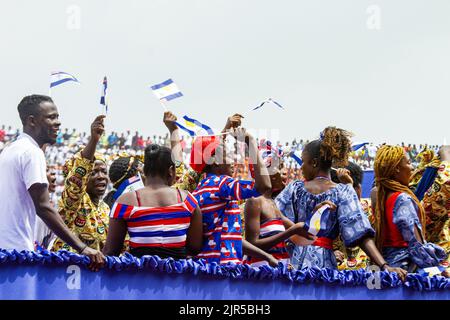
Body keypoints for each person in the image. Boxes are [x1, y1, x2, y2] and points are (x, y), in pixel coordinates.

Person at [275, 127, 407, 280]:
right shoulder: (343, 192)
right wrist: (384, 266)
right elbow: (361, 233)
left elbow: (275, 216)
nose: (301, 167)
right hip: (325, 268)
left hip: (293, 264)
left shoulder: (294, 188)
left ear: (314, 163)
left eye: (303, 162)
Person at [0, 95, 104, 270]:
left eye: (57, 117)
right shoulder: (31, 152)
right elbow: (44, 207)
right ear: (32, 121)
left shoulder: (10, 150)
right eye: (51, 117)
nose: (58, 123)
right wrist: (83, 248)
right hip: (16, 254)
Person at [190, 115, 272, 265]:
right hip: (224, 269)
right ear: (214, 161)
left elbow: (230, 237)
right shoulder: (222, 184)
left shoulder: (200, 188)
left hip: (206, 268)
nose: (233, 159)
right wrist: (251, 142)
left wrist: (266, 257)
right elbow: (264, 186)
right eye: (226, 154)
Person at [103, 144, 203, 259]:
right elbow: (195, 247)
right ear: (171, 170)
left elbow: (110, 251)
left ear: (144, 170)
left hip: (139, 275)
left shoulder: (125, 201)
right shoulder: (188, 201)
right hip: (177, 275)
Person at [374, 145, 448, 275]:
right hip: (406, 270)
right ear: (396, 169)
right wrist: (438, 270)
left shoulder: (380, 197)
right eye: (408, 163)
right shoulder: (403, 199)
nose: (412, 167)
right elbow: (416, 246)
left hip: (388, 269)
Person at [244, 144, 315, 267]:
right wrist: (290, 232)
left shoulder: (272, 204)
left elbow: (304, 233)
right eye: (279, 167)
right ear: (266, 173)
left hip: (278, 271)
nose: (284, 172)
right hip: (261, 273)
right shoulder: (254, 201)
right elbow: (252, 244)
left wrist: (318, 211)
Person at [52, 115, 110, 253]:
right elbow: (77, 179)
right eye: (94, 172)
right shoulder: (73, 201)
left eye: (103, 171)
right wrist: (94, 140)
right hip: (65, 269)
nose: (101, 177)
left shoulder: (106, 209)